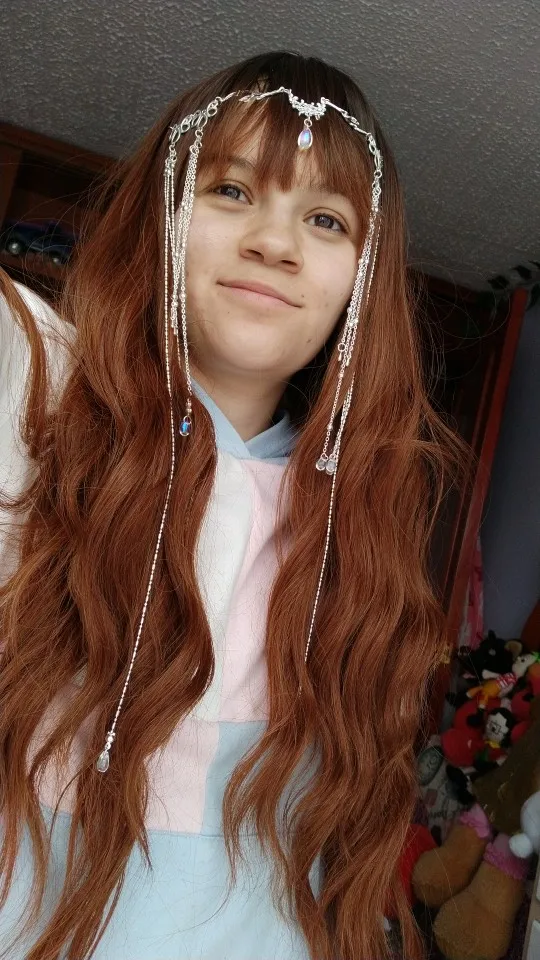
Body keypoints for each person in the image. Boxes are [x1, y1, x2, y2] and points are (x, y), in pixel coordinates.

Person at [0, 50, 468, 960]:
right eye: (231, 190)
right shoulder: (45, 395)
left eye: (326, 219)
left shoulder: (360, 516)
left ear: (362, 279)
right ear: (165, 215)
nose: (274, 243)